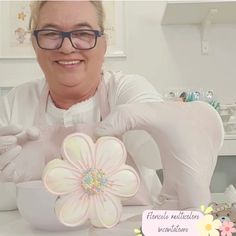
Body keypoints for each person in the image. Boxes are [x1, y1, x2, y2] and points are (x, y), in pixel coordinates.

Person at [0, 0, 223, 224]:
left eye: (83, 32)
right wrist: (9, 182)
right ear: (34, 44)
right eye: (50, 33)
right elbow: (5, 206)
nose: (67, 47)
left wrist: (181, 126)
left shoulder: (127, 90)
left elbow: (153, 153)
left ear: (103, 43)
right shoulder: (15, 103)